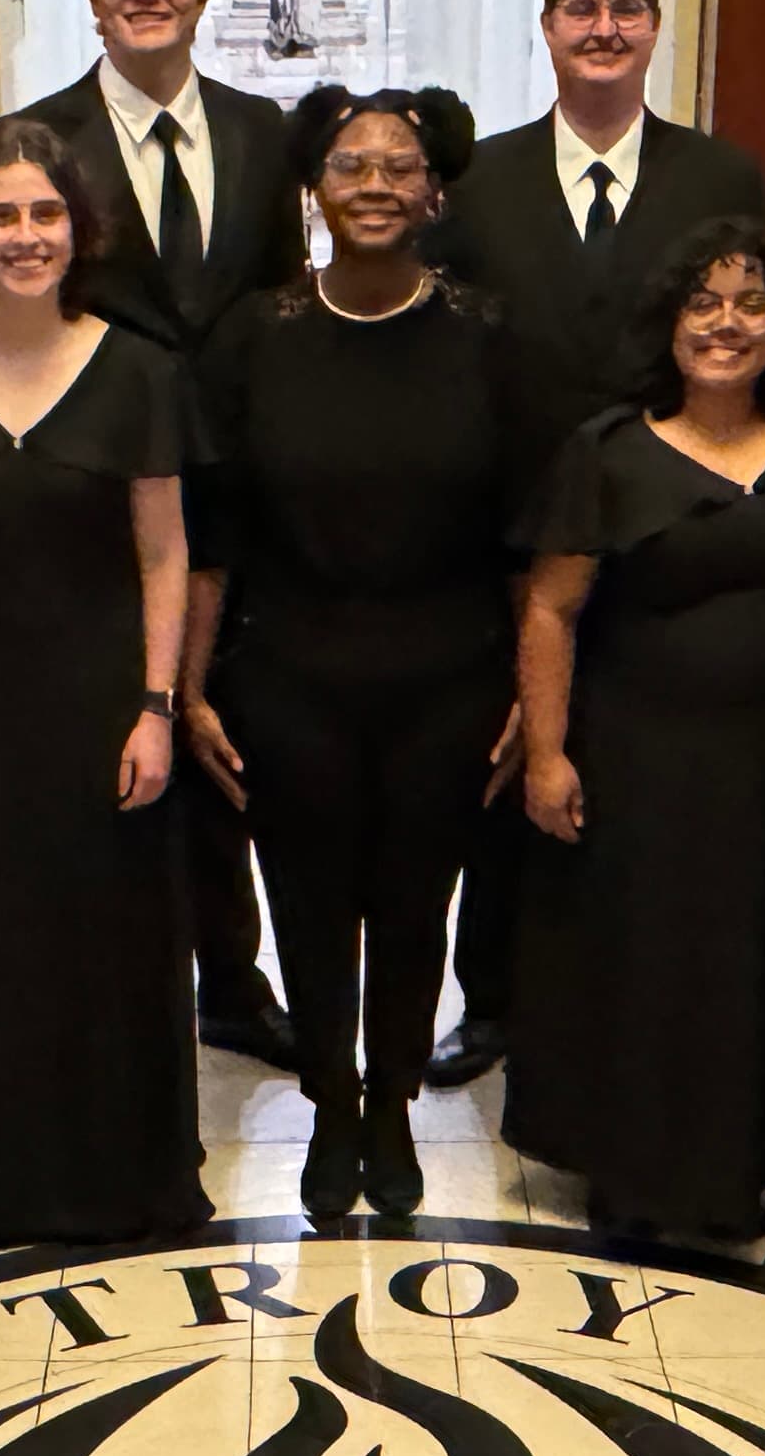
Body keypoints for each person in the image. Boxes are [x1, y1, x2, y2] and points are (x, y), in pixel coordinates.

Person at [422, 0, 765, 1091]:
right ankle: (490, 999)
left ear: (655, 27)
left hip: (664, 512)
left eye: (627, 9)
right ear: (548, 28)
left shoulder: (719, 178)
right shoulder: (481, 185)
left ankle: (604, 984)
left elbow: (745, 333)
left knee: (617, 758)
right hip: (512, 525)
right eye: (581, 10)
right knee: (502, 762)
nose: (604, 30)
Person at [185, 86, 527, 1222]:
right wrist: (185, 686)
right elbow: (214, 531)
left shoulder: (488, 333)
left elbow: (529, 534)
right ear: (313, 189)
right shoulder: (254, 336)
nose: (374, 184)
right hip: (289, 674)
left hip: (451, 673)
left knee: (416, 905)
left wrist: (536, 686)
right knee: (312, 905)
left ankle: (392, 1114)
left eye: (399, 165)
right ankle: (331, 1107)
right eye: (349, 165)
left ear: (434, 190)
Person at [0, 120, 207, 1244]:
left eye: (45, 214)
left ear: (79, 228)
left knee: (113, 942)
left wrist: (159, 706)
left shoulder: (139, 372)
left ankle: (127, 1178)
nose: (25, 236)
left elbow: (165, 552)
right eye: (3, 214)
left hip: (108, 702)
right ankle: (3, 1180)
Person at [505, 220, 765, 1243]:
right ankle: (642, 1173)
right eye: (702, 305)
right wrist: (545, 750)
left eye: (749, 304)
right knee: (653, 967)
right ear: (666, 325)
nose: (725, 325)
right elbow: (550, 611)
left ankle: (758, 1166)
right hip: (642, 764)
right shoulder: (606, 450)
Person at [21, 0, 301, 1070]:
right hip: (102, 484)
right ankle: (125, 983)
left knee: (232, 739)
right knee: (121, 727)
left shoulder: (260, 133)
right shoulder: (41, 144)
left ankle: (235, 982)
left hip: (242, 486)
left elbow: (286, 300)